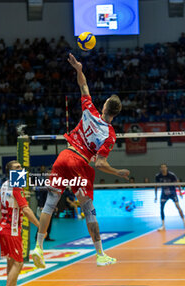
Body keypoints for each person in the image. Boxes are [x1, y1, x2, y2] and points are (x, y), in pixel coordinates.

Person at [32, 53, 130, 268]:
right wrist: (118, 172)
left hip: (64, 156)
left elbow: (83, 85)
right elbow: (100, 164)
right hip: (80, 163)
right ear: (115, 113)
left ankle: (38, 247)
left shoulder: (90, 110)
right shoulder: (110, 135)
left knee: (50, 204)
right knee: (88, 210)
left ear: (104, 106)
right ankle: (100, 254)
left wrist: (79, 69)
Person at [0, 160, 40, 286]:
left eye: (20, 167)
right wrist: (40, 226)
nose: (20, 169)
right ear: (11, 172)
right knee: (18, 263)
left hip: (3, 227)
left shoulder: (4, 184)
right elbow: (27, 210)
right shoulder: (16, 187)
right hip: (12, 230)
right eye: (17, 168)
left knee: (11, 262)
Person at [155, 164, 185, 231]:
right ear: (160, 169)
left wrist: (180, 192)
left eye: (164, 167)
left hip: (172, 193)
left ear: (166, 168)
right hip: (164, 194)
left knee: (178, 207)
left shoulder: (171, 175)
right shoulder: (158, 176)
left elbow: (177, 183)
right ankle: (163, 226)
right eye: (162, 167)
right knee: (161, 208)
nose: (163, 168)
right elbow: (156, 186)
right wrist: (155, 196)